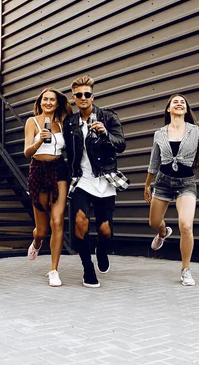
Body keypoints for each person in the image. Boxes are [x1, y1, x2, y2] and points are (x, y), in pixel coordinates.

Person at [144, 93, 199, 286]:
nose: (178, 104)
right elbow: (154, 162)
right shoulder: (160, 133)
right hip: (162, 182)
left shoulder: (195, 130)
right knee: (154, 222)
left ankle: (186, 270)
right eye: (174, 102)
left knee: (186, 225)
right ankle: (162, 233)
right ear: (169, 109)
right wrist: (147, 184)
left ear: (186, 109)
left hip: (186, 183)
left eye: (182, 102)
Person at [63, 75, 126, 288]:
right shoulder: (70, 122)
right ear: (73, 98)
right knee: (80, 221)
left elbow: (121, 144)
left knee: (105, 229)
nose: (83, 98)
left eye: (87, 94)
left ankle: (101, 248)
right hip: (82, 179)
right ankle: (87, 267)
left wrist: (105, 133)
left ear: (93, 96)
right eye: (79, 95)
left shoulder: (108, 117)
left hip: (105, 179)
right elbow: (67, 152)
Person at [24, 88, 72, 287]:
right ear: (40, 102)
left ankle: (53, 270)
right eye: (45, 99)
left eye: (52, 99)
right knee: (42, 230)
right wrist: (38, 141)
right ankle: (37, 242)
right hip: (39, 170)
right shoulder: (32, 121)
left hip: (59, 170)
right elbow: (27, 152)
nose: (49, 102)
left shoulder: (63, 123)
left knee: (57, 220)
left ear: (57, 102)